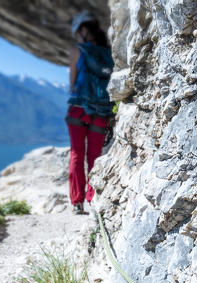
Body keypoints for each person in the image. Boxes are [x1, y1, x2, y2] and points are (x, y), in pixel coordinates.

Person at [66, 10, 114, 214]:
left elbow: (72, 84)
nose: (77, 36)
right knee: (94, 155)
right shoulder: (108, 53)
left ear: (84, 30)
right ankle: (92, 198)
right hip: (101, 111)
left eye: (78, 32)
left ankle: (77, 202)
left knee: (77, 153)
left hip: (78, 109)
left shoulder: (77, 50)